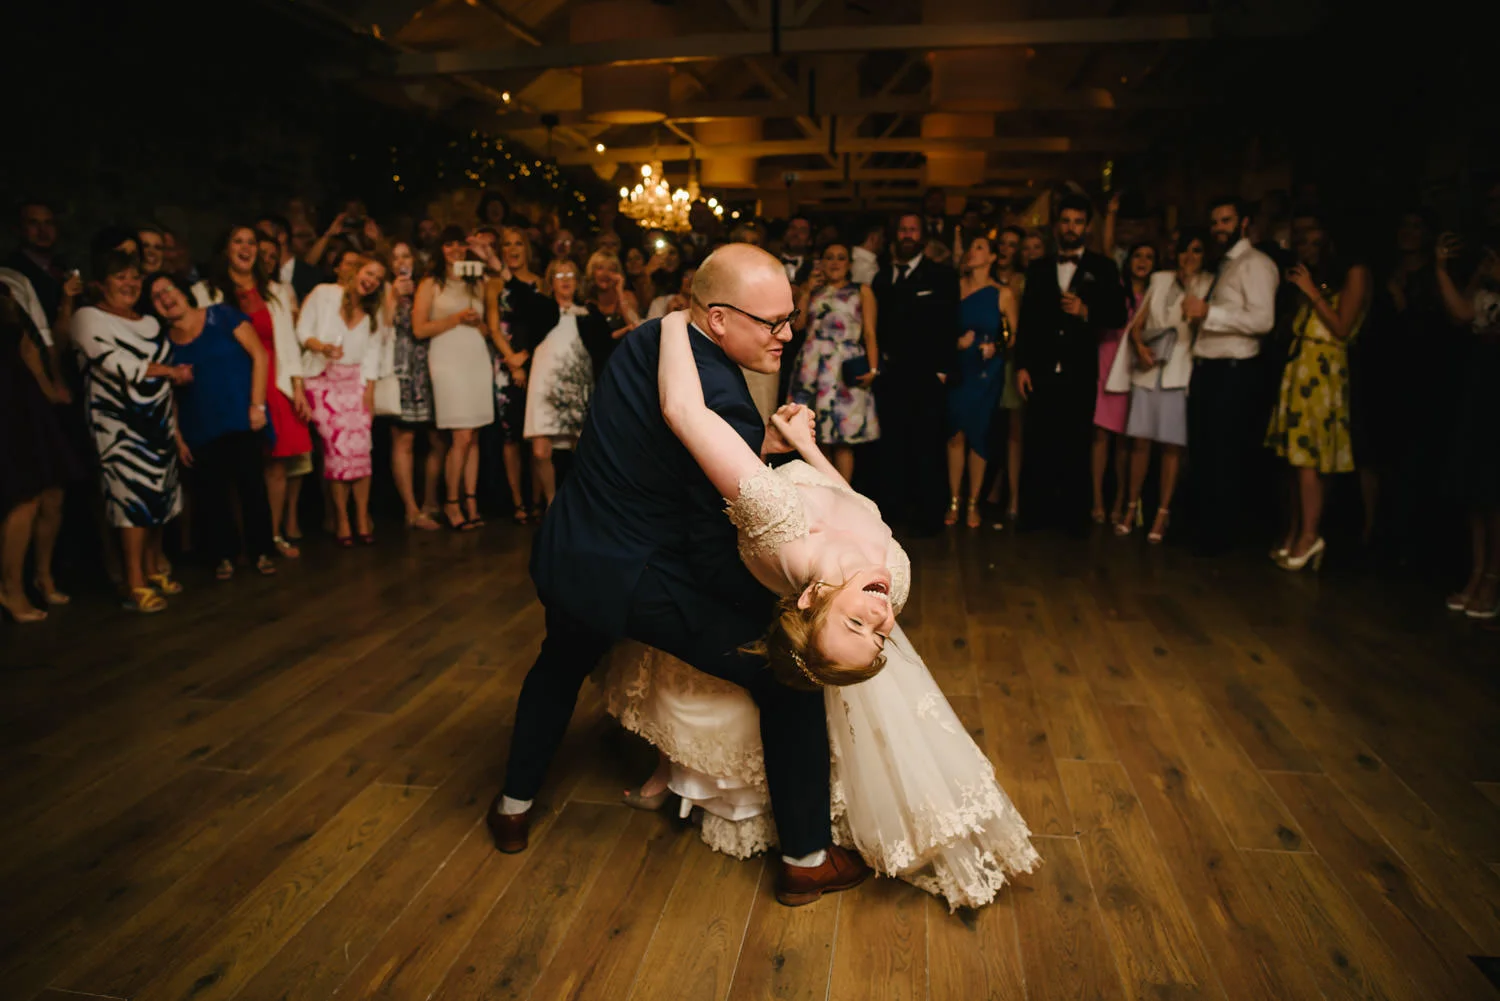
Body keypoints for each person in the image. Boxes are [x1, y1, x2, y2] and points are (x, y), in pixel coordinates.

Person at [597, 304, 1039, 909]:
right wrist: (806, 447)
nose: (884, 619)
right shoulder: (891, 588)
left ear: (810, 598)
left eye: (858, 624)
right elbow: (862, 509)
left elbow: (683, 411)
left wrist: (677, 320)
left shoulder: (778, 519)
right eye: (877, 636)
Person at [489, 245, 864, 907]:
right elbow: (709, 545)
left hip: (570, 549)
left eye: (789, 319)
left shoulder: (649, 342)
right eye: (771, 323)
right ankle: (806, 857)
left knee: (560, 661)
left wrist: (757, 450)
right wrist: (777, 601)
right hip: (637, 572)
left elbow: (655, 455)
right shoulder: (722, 395)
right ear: (717, 318)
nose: (787, 335)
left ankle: (513, 806)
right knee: (792, 669)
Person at [72, 250, 186, 613]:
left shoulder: (151, 323)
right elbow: (115, 363)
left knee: (160, 497)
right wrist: (169, 373)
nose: (130, 283)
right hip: (118, 426)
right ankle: (133, 581)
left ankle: (153, 569)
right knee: (131, 502)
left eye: (135, 277)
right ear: (101, 283)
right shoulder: (87, 318)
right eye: (120, 276)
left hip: (159, 419)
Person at [147, 273, 279, 580]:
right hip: (200, 426)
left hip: (241, 417)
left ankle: (261, 552)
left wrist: (258, 405)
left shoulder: (221, 315)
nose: (166, 298)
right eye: (157, 297)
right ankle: (224, 556)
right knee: (212, 496)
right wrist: (178, 436)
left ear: (182, 291)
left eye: (169, 289)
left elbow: (259, 355)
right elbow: (170, 394)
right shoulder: (164, 344)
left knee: (252, 489)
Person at [196, 225, 313, 557]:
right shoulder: (206, 292)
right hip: (231, 383)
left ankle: (270, 537)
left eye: (251, 243)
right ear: (226, 249)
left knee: (275, 466)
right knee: (235, 465)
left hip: (272, 379)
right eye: (239, 242)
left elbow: (287, 343)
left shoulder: (273, 290)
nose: (246, 248)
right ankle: (235, 543)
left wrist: (298, 387)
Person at [1014, 194, 1128, 534]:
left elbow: (1118, 314)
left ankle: (1072, 521)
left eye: (1078, 222)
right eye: (1066, 221)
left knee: (1076, 443)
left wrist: (1086, 312)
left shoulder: (1103, 267)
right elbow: (1027, 321)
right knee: (1039, 442)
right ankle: (1035, 518)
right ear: (1056, 226)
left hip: (1081, 369)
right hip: (1040, 370)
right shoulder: (1039, 268)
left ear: (1087, 227)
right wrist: (1022, 364)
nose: (1071, 228)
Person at [1264, 218, 1370, 571]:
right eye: (1303, 243)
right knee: (1294, 461)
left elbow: (1341, 327)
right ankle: (1296, 531)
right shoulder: (1311, 277)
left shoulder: (1353, 273)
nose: (1307, 250)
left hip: (1323, 372)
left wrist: (1312, 292)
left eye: (1315, 243)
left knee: (1310, 460)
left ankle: (1311, 535)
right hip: (1300, 367)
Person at [1183, 196, 1280, 556]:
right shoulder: (1220, 266)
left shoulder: (1256, 264)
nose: (1218, 228)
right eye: (1215, 222)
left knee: (1225, 456)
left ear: (1243, 223)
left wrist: (1211, 313)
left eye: (1225, 221)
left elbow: (1263, 321)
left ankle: (1221, 538)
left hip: (1234, 374)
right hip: (1208, 370)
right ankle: (1205, 532)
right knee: (1205, 453)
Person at [1106, 228, 1213, 543]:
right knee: (1139, 442)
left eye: (1195, 251)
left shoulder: (1207, 283)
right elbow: (1137, 324)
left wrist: (1192, 285)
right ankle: (1130, 506)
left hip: (1179, 370)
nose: (1189, 257)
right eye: (1184, 251)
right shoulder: (1160, 279)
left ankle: (1162, 513)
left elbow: (1199, 326)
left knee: (1171, 447)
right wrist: (1139, 347)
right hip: (1149, 368)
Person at [870, 211, 962, 535]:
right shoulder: (882, 277)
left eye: (913, 229)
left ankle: (928, 518)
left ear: (922, 236)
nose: (907, 235)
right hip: (890, 375)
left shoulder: (942, 275)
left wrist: (943, 370)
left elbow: (950, 323)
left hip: (926, 375)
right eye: (903, 229)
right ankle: (893, 513)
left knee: (927, 445)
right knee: (893, 445)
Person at [0, 283, 80, 622]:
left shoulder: (5, 292)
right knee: (25, 495)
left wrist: (49, 392)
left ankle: (42, 577)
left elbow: (29, 350)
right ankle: (10, 589)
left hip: (24, 398)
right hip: (6, 401)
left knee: (52, 493)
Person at [296, 257, 387, 545]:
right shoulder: (324, 294)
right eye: (369, 272)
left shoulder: (373, 313)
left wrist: (369, 392)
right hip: (323, 380)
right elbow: (302, 330)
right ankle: (341, 519)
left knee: (361, 453)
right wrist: (320, 346)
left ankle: (361, 516)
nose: (371, 280)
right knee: (337, 453)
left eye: (378, 279)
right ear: (357, 271)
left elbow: (373, 353)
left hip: (356, 382)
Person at [1435, 231, 1500, 618]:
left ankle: (1493, 579)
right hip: (1481, 377)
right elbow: (1461, 313)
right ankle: (1476, 574)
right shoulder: (1488, 269)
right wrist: (1442, 269)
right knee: (1474, 486)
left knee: (1495, 488)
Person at [414, 225, 493, 531]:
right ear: (441, 249)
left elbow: (488, 329)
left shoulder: (478, 282)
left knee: (473, 435)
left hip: (475, 355)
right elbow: (419, 328)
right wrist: (455, 318)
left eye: (460, 245)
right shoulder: (431, 284)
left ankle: (471, 501)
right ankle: (451, 502)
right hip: (446, 358)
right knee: (460, 435)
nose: (455, 250)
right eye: (449, 245)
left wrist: (477, 322)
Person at [519, 258, 612, 506]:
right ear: (550, 282)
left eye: (570, 275)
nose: (566, 280)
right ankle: (551, 503)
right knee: (540, 450)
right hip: (544, 384)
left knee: (581, 450)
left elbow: (603, 346)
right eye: (559, 276)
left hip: (577, 384)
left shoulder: (588, 313)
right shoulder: (541, 308)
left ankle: (580, 505)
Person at [788, 243, 880, 484]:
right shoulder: (814, 291)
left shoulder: (862, 290)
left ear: (849, 264)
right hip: (812, 367)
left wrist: (872, 368)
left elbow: (870, 332)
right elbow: (797, 327)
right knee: (815, 437)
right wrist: (807, 290)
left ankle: (843, 496)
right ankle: (821, 495)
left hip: (844, 367)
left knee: (843, 438)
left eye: (841, 258)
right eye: (829, 257)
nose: (835, 263)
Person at [946, 234, 1016, 528]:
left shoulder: (1003, 293)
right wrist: (955, 342)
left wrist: (996, 347)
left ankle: (973, 503)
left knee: (978, 434)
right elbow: (937, 327)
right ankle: (953, 501)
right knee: (954, 433)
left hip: (987, 371)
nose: (972, 253)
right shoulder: (953, 289)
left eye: (979, 248)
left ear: (991, 258)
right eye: (971, 247)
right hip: (959, 367)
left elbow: (1012, 335)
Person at [485, 225, 546, 522]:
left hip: (536, 359)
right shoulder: (494, 284)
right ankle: (518, 502)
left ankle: (537, 501)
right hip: (506, 362)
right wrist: (512, 360)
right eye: (506, 244)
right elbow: (494, 326)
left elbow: (546, 323)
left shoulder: (539, 282)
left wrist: (528, 356)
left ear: (526, 248)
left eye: (517, 243)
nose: (512, 249)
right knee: (510, 436)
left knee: (534, 433)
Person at [387, 240, 445, 531]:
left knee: (437, 438)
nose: (401, 261)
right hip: (400, 369)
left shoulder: (426, 285)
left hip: (429, 365)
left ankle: (430, 502)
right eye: (395, 257)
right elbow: (380, 325)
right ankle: (411, 509)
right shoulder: (384, 288)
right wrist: (394, 296)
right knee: (404, 438)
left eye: (406, 254)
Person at [1095, 242, 1153, 529]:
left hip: (1135, 368)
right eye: (1138, 254)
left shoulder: (1156, 293)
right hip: (1107, 360)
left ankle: (1120, 501)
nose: (1142, 261)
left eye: (1149, 256)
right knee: (1100, 435)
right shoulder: (1115, 287)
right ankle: (1096, 500)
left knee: (1124, 439)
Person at [987, 225, 1030, 521]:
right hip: (983, 359)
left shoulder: (1024, 281)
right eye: (1001, 243)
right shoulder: (982, 280)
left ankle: (1013, 495)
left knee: (1014, 430)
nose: (1005, 249)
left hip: (1012, 358)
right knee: (987, 426)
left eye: (1012, 245)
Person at [777, 216, 815, 286]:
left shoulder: (814, 267)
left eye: (802, 230)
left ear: (810, 240)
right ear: (784, 234)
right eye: (792, 228)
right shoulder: (770, 262)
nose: (796, 233)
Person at [850, 219, 885, 286]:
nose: (884, 240)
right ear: (873, 237)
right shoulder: (864, 265)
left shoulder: (859, 259)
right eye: (882, 236)